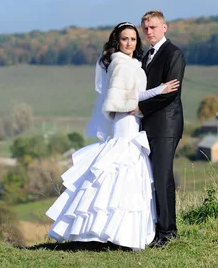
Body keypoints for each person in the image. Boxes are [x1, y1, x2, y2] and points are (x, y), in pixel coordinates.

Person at [46, 22, 180, 251]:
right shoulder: (120, 64)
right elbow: (124, 98)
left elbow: (131, 95)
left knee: (127, 178)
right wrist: (159, 90)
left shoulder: (132, 63)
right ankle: (108, 233)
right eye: (125, 39)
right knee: (120, 173)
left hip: (134, 121)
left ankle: (119, 233)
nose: (129, 43)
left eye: (133, 39)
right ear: (117, 41)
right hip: (126, 122)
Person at [136, 10, 186, 248]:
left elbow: (171, 93)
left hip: (166, 125)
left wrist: (139, 108)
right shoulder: (147, 56)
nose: (149, 32)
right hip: (149, 126)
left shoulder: (173, 54)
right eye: (145, 28)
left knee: (163, 177)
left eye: (153, 27)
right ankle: (157, 228)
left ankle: (168, 233)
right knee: (153, 179)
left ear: (164, 28)